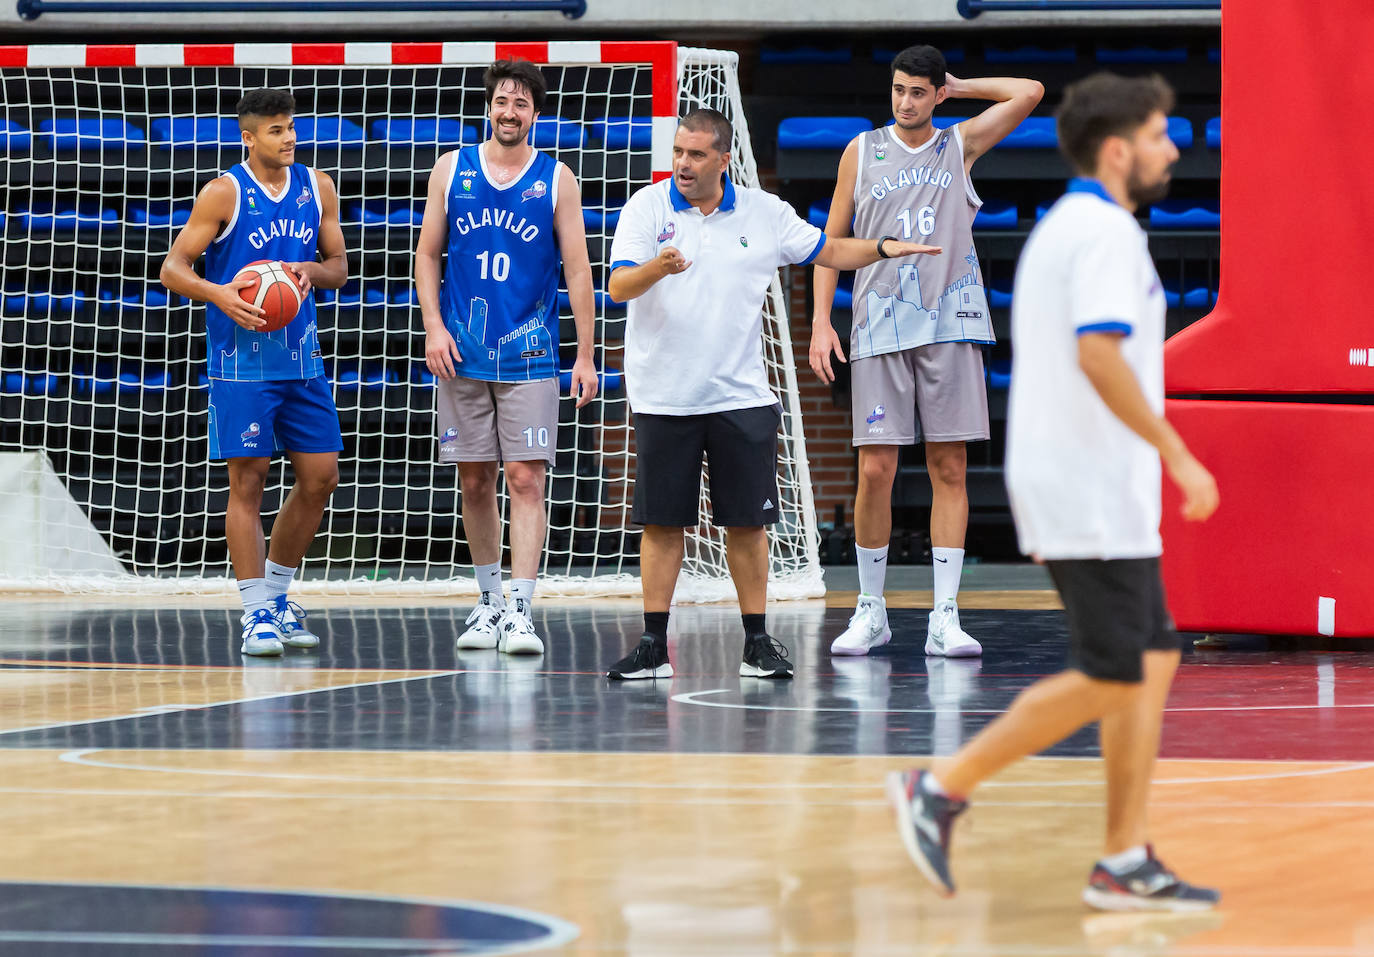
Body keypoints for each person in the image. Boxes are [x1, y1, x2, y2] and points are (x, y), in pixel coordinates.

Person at [887, 72, 1222, 912]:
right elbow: (1099, 356)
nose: (1174, 147)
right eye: (1159, 133)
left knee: (1150, 659)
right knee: (1117, 670)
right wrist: (1180, 453)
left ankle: (1123, 855)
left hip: (1099, 480)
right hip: (1085, 481)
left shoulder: (1078, 227)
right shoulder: (1101, 233)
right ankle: (942, 785)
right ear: (1118, 149)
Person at [603, 108, 942, 681]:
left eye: (696, 155)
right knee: (662, 525)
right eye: (678, 152)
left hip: (741, 397)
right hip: (665, 396)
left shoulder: (765, 213)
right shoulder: (647, 207)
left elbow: (829, 251)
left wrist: (885, 248)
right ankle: (653, 644)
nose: (682, 164)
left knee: (747, 525)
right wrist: (658, 267)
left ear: (724, 159)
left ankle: (756, 642)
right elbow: (617, 286)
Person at [811, 46, 1043, 659]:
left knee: (950, 468)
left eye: (918, 91)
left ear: (936, 95)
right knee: (875, 470)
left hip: (951, 322)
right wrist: (818, 323)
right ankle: (870, 610)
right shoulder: (861, 151)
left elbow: (1029, 90)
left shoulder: (960, 143)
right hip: (879, 325)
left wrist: (961, 87)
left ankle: (944, 614)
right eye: (898, 89)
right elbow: (831, 242)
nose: (905, 100)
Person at [415, 59, 598, 656]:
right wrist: (433, 328)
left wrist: (586, 356)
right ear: (489, 107)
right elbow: (426, 257)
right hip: (462, 350)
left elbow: (577, 271)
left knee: (525, 477)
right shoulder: (452, 169)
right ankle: (489, 600)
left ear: (535, 115)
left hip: (532, 351)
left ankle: (521, 608)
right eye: (502, 101)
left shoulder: (556, 179)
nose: (509, 112)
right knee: (474, 478)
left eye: (521, 103)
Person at [161, 88, 348, 657]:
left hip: (302, 361)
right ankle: (255, 613)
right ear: (249, 136)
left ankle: (277, 593)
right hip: (240, 366)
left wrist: (307, 272)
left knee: (321, 478)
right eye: (276, 130)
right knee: (248, 481)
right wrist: (218, 293)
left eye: (291, 127)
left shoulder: (318, 186)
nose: (289, 138)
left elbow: (339, 267)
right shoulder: (223, 192)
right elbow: (173, 268)